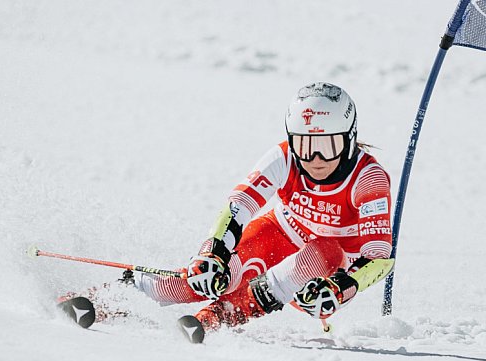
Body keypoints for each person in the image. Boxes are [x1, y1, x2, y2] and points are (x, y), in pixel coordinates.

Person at [133, 82, 394, 341]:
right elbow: (239, 205)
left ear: (349, 138)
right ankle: (125, 292)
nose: (315, 159)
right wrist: (212, 251)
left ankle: (217, 315)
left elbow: (379, 258)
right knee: (212, 275)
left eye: (328, 147)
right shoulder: (284, 157)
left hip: (326, 277)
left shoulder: (368, 179)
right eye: (304, 146)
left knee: (325, 251)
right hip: (280, 233)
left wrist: (341, 288)